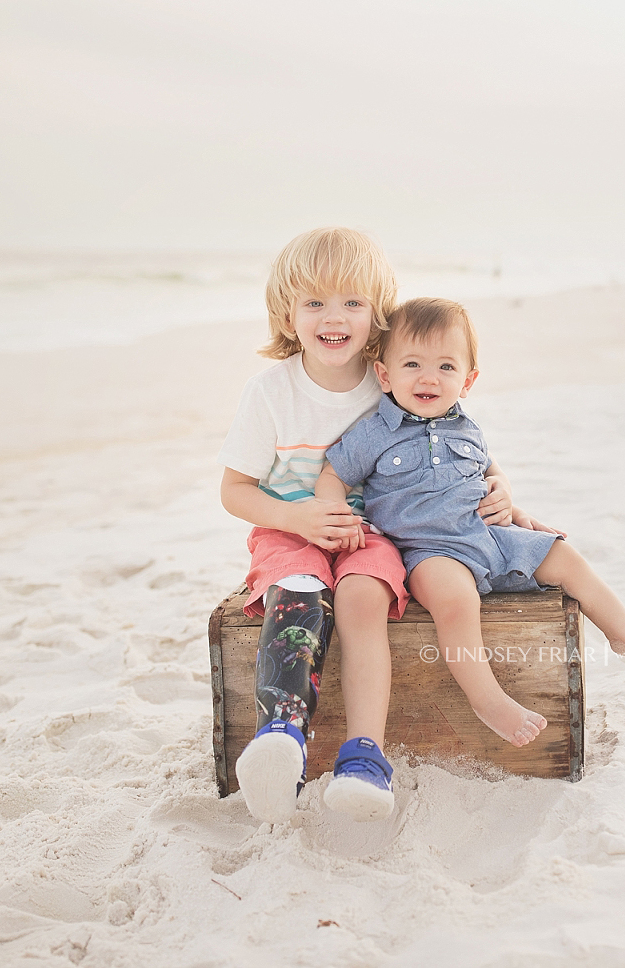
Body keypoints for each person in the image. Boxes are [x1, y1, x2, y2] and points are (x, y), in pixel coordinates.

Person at [217, 232, 521, 823]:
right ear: (287, 313)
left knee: (363, 595)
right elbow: (234, 491)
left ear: (378, 311)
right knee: (303, 590)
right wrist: (295, 516)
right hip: (288, 529)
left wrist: (500, 483)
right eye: (314, 304)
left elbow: (459, 432)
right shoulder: (271, 393)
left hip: (372, 531)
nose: (335, 318)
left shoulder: (390, 376)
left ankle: (364, 756)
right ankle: (281, 735)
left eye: (353, 303)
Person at [318, 297, 625, 750]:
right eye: (412, 364)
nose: (429, 377)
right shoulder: (373, 433)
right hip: (430, 552)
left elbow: (492, 471)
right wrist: (337, 513)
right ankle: (486, 699)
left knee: (564, 555)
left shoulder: (468, 427)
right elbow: (333, 475)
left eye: (446, 367)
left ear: (468, 381)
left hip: (487, 535)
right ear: (385, 374)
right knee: (456, 602)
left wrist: (504, 490)